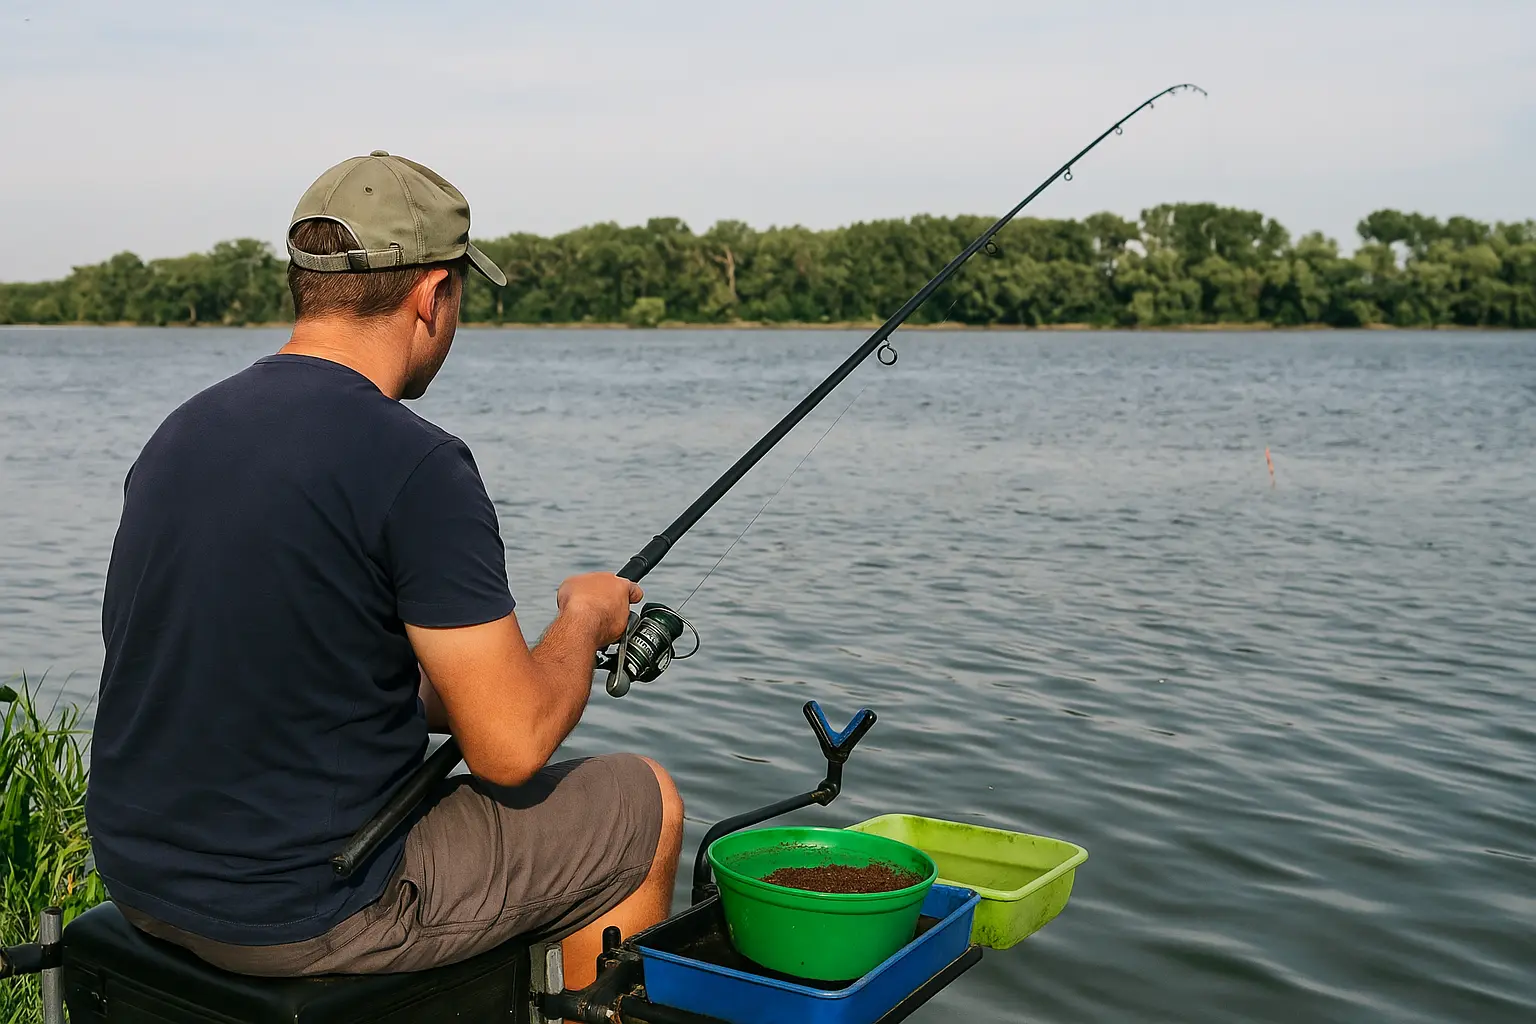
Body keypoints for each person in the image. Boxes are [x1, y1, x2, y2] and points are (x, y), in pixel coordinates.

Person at [84, 151, 682, 988]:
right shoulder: (418, 463)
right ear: (431, 295)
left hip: (142, 878)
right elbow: (509, 750)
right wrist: (584, 619)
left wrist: (465, 690)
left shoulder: (182, 432)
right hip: (308, 908)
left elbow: (297, 659)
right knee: (641, 801)